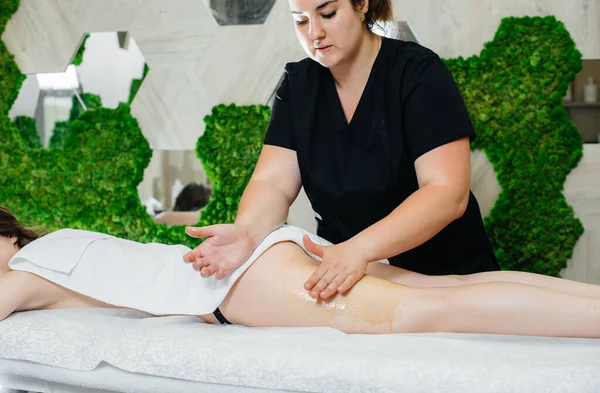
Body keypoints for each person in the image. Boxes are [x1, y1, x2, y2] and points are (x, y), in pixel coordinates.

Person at [184, 0, 499, 300]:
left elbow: (447, 193)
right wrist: (248, 231)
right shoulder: (299, 85)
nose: (314, 33)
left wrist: (361, 248)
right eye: (301, 20)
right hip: (356, 286)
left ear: (361, 4)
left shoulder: (417, 72)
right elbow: (274, 184)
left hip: (447, 278)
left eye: (328, 14)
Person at [2, 205, 600, 338]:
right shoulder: (59, 242)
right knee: (446, 287)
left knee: (434, 310)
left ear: (6, 237)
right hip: (268, 256)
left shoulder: (25, 270)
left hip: (244, 285)